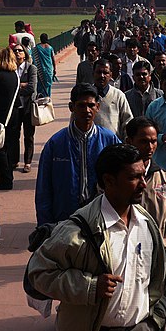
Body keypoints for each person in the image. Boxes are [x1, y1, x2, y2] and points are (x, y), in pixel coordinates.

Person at [28, 145, 166, 331]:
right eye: (133, 178)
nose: (143, 184)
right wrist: (89, 286)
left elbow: (157, 280)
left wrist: (156, 320)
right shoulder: (76, 231)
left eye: (143, 176)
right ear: (109, 181)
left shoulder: (147, 224)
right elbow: (38, 273)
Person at [35, 84, 119, 226]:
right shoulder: (56, 144)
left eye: (91, 105)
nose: (86, 110)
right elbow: (44, 189)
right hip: (65, 219)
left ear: (97, 107)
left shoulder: (109, 140)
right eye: (81, 105)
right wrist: (46, 226)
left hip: (101, 217)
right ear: (71, 107)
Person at [126, 116, 166, 276]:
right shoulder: (117, 179)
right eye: (143, 141)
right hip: (125, 262)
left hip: (160, 263)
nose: (150, 147)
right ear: (129, 141)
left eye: (153, 141)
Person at [0, 47, 20, 191]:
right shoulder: (15, 76)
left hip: (1, 117)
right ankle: (8, 176)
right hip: (13, 116)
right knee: (8, 147)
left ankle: (5, 179)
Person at [6, 43, 37, 174]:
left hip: (28, 107)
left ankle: (28, 162)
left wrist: (17, 88)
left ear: (25, 54)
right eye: (15, 51)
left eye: (20, 51)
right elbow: (7, 88)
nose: (17, 53)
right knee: (14, 135)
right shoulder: (10, 69)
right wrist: (21, 86)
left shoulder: (31, 68)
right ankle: (14, 161)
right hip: (15, 107)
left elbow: (31, 88)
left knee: (29, 136)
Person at [93, 58, 134, 141]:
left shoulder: (118, 95)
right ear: (93, 73)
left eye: (105, 73)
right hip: (91, 146)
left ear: (110, 75)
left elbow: (128, 121)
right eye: (99, 72)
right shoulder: (86, 95)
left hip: (114, 145)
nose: (102, 76)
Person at [34, 33, 56, 97]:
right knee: (48, 85)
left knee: (40, 85)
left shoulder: (37, 47)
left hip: (40, 68)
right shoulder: (50, 48)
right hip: (49, 69)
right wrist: (55, 69)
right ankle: (48, 97)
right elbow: (53, 59)